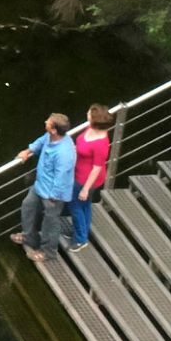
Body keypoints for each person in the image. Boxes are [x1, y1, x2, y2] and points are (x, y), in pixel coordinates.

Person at [0, 113, 80, 262]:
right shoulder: (50, 136)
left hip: (53, 193)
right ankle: (30, 237)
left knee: (50, 221)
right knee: (27, 206)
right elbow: (41, 141)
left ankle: (48, 252)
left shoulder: (64, 153)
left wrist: (54, 196)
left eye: (48, 122)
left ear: (54, 130)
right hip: (40, 184)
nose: (45, 122)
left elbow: (62, 177)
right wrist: (28, 151)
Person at [70, 105, 114, 249]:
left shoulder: (101, 144)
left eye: (89, 115)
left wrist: (86, 189)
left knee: (75, 206)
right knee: (84, 205)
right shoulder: (90, 129)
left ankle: (81, 239)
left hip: (86, 179)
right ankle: (82, 231)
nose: (87, 115)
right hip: (79, 172)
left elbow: (97, 168)